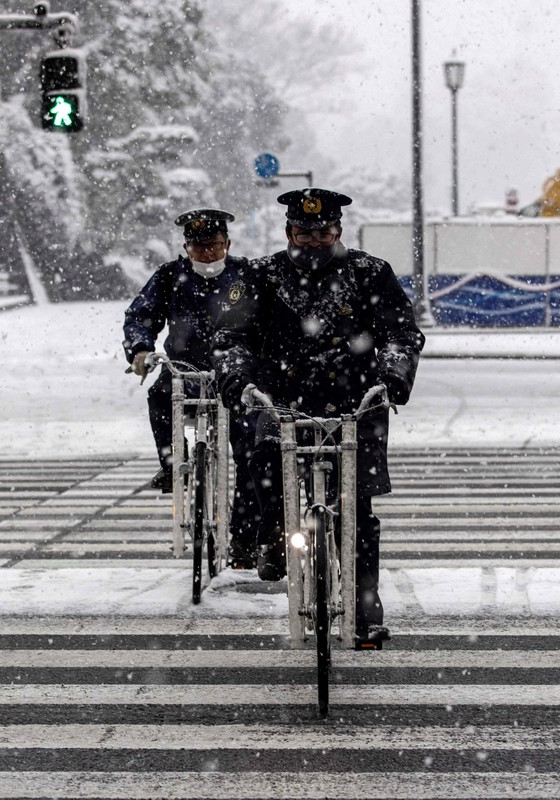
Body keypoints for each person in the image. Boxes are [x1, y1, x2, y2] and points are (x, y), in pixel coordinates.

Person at [212, 188, 424, 648]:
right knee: (264, 465)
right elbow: (232, 339)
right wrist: (239, 382)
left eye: (323, 232)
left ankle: (365, 605)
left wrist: (391, 378)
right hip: (282, 399)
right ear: (289, 231)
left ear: (339, 231)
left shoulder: (370, 273)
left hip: (357, 403)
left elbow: (402, 333)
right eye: (304, 233)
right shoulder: (261, 275)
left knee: (357, 509)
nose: (314, 241)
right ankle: (273, 534)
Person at [122, 208, 258, 567]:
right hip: (184, 370)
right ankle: (172, 463)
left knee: (249, 455)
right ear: (186, 248)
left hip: (237, 374)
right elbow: (140, 315)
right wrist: (139, 349)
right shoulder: (170, 275)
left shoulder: (247, 274)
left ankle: (245, 539)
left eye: (213, 246)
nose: (207, 254)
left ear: (227, 243)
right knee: (158, 397)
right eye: (198, 248)